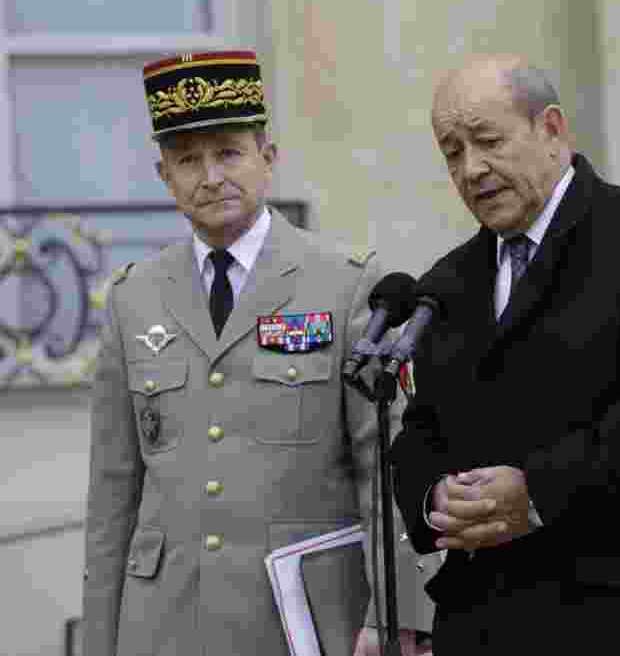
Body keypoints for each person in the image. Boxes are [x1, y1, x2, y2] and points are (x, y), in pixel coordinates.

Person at [82, 50, 436, 656]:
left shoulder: (344, 282)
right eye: (187, 160)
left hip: (304, 622)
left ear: (267, 159)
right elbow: (113, 496)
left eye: (228, 153)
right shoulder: (132, 298)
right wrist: (99, 640)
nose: (210, 175)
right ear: (165, 177)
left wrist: (394, 614)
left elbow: (383, 464)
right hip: (164, 626)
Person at [389, 54, 620, 654]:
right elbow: (420, 432)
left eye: (488, 141)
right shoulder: (445, 284)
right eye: (452, 152)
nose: (472, 169)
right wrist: (435, 498)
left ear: (551, 130)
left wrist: (538, 492)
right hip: (484, 624)